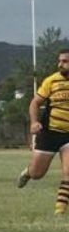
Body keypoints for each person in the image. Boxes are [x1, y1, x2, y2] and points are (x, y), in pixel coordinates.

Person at [17, 50, 69, 214]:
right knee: (38, 173)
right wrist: (34, 122)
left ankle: (59, 210)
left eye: (65, 61)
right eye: (59, 61)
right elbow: (35, 103)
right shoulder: (51, 81)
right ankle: (28, 172)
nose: (61, 64)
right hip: (50, 133)